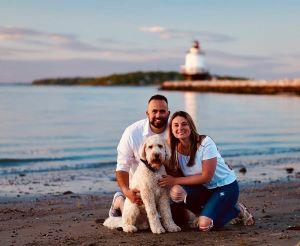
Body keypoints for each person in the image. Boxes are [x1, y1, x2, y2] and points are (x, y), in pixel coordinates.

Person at [158, 111, 254, 231]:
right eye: (176, 125)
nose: (180, 128)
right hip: (204, 189)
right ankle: (205, 212)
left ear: (191, 126)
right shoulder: (172, 147)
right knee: (176, 192)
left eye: (184, 124)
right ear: (171, 129)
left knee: (204, 225)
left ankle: (236, 210)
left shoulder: (205, 143)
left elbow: (206, 177)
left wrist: (175, 180)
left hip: (225, 186)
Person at [108, 94, 170, 217]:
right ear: (147, 113)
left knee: (179, 217)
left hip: (165, 186)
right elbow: (122, 166)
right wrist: (127, 192)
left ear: (168, 113)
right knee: (136, 210)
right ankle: (119, 201)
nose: (158, 115)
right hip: (139, 188)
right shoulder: (132, 132)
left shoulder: (175, 130)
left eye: (162, 111)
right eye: (154, 111)